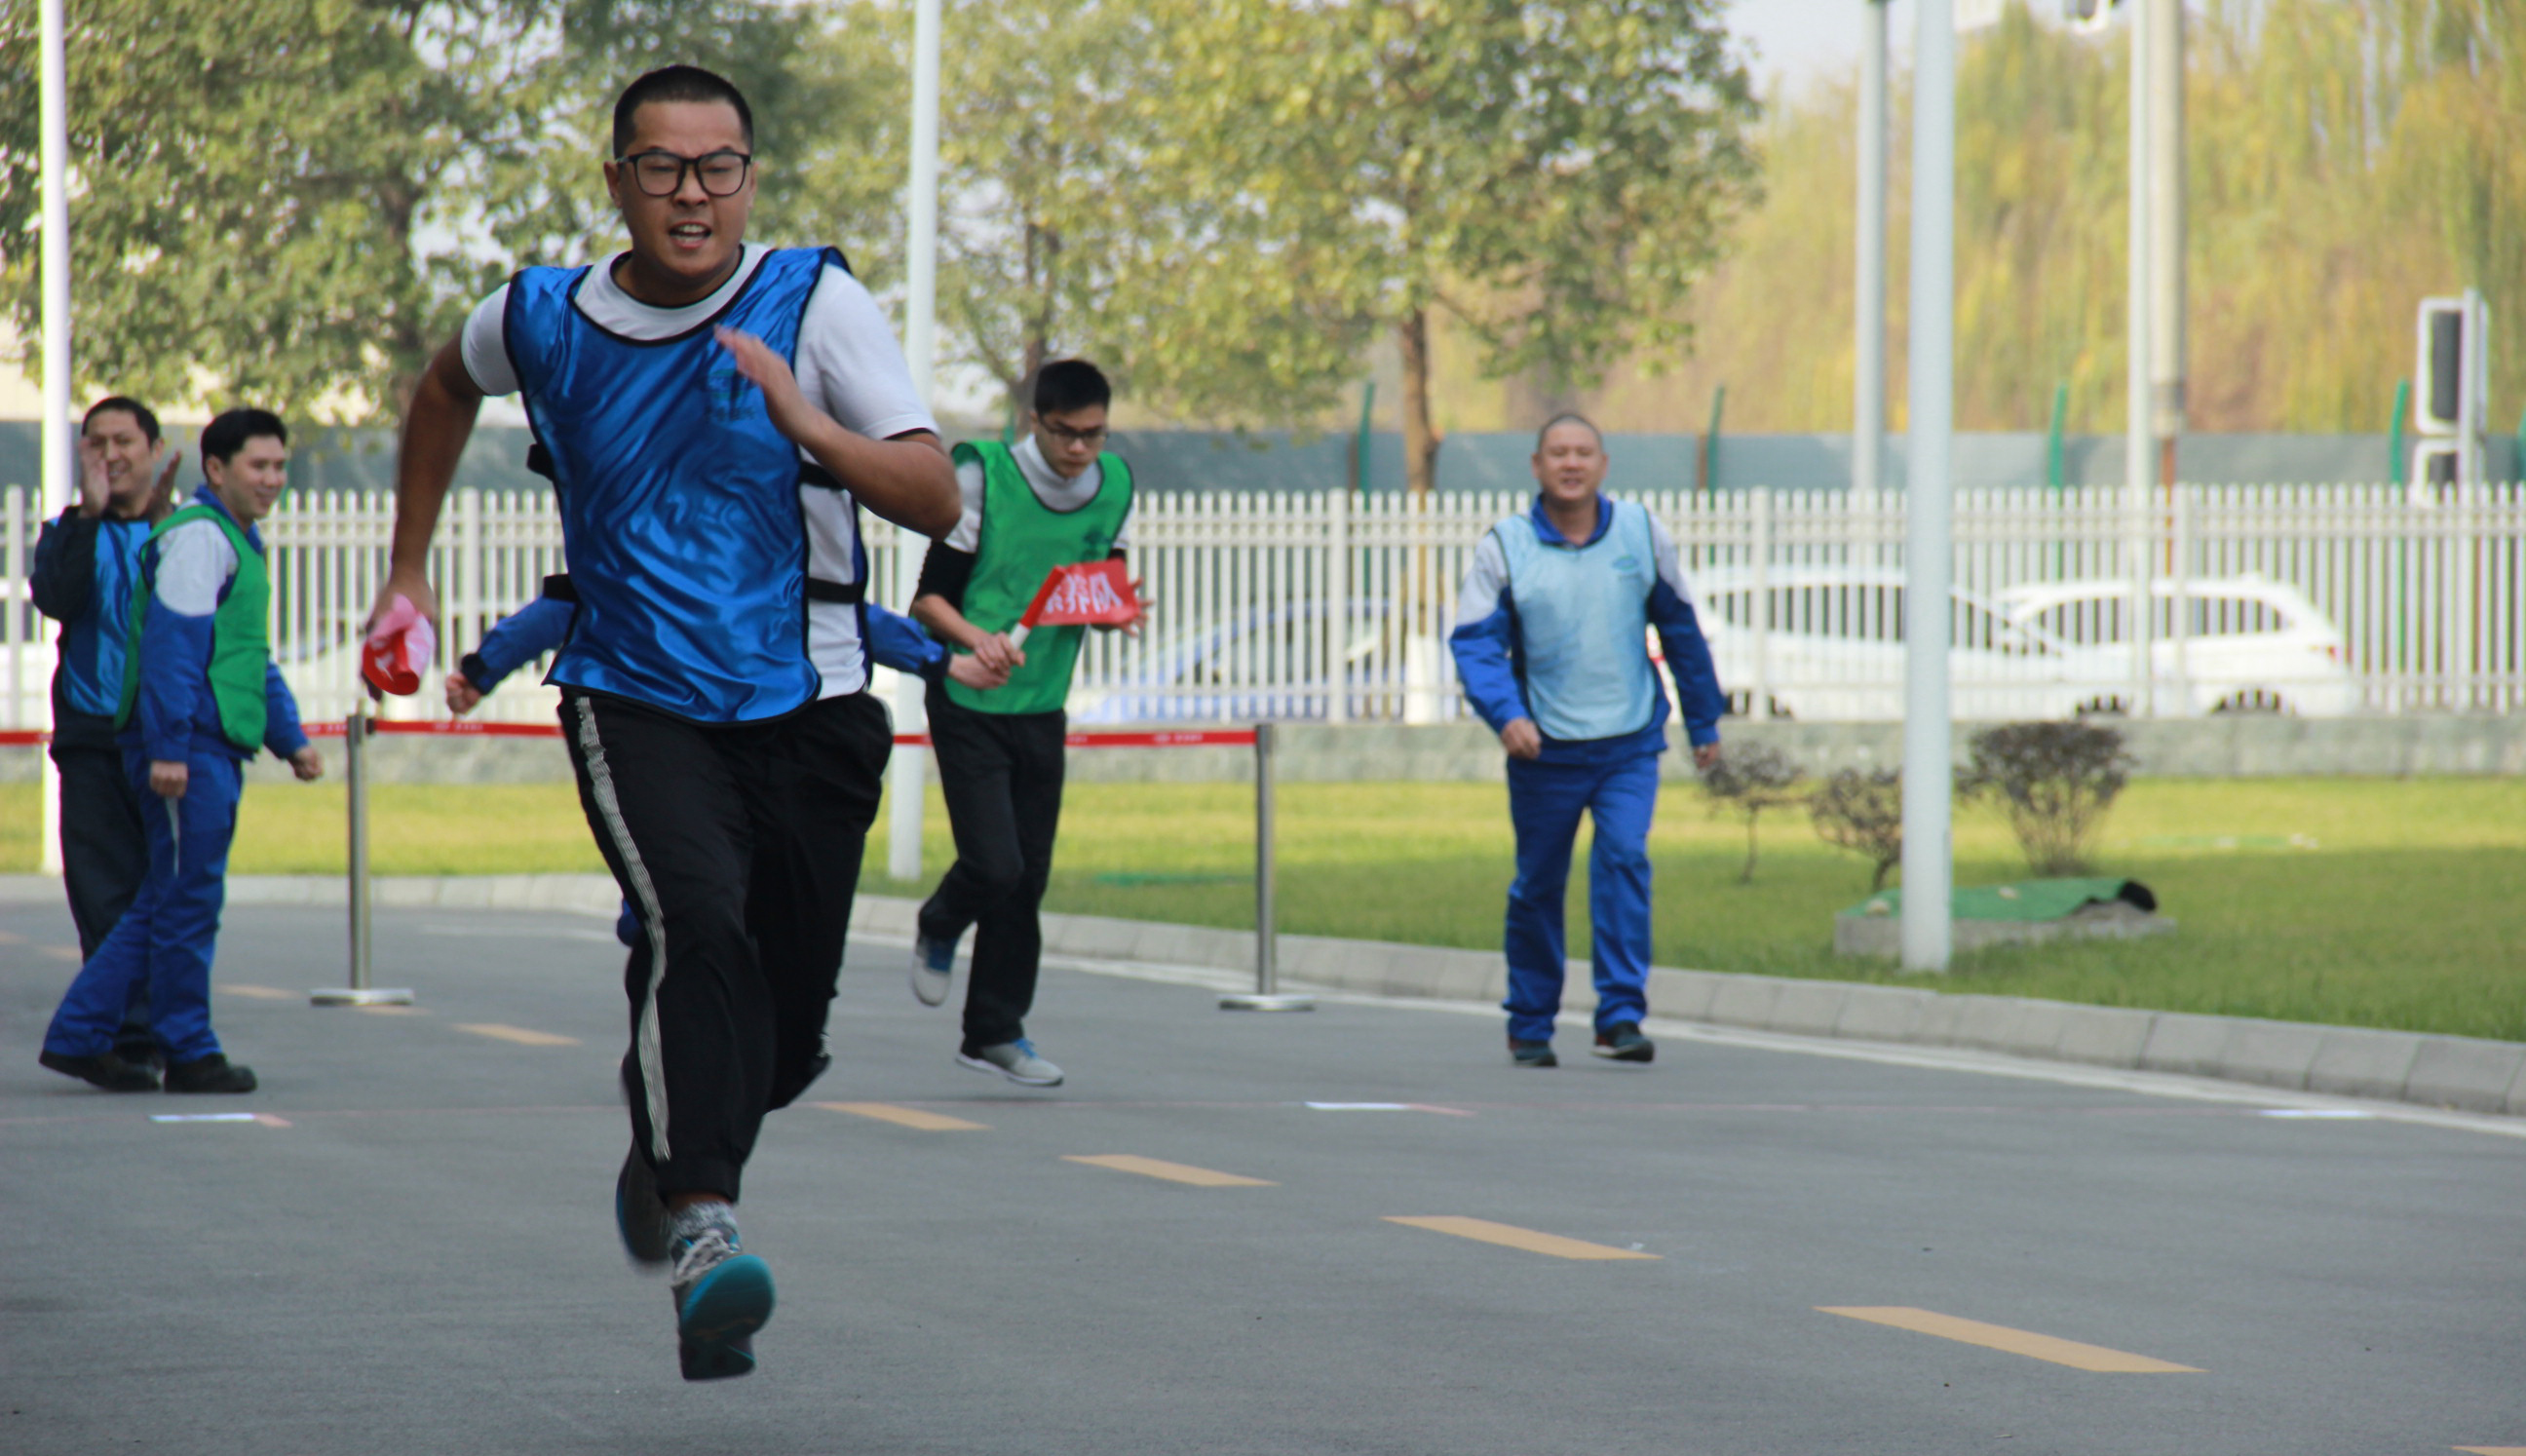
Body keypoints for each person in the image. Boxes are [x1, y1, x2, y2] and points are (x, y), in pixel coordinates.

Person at [376, 64, 961, 1382]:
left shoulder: (815, 303)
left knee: (784, 1034)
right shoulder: (541, 315)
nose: (692, 195)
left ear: (750, 176)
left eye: (719, 168)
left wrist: (810, 422)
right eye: (662, 167)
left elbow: (931, 496)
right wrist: (407, 566)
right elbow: (438, 390)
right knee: (695, 920)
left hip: (808, 707)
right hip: (636, 698)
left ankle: (664, 1157)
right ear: (617, 180)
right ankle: (704, 1230)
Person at [443, 578, 1007, 948]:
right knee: (673, 889)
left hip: (753, 737)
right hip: (656, 731)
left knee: (749, 884)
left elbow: (850, 617)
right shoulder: (631, 549)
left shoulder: (771, 558)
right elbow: (558, 608)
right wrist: (479, 671)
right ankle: (654, 941)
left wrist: (942, 662)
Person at [40, 407, 324, 1094]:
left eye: (280, 466)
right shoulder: (200, 539)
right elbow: (172, 649)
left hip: (208, 748)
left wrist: (289, 739)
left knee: (169, 900)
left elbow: (248, 658)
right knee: (182, 903)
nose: (273, 479)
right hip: (187, 750)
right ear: (216, 469)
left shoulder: (234, 539)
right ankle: (185, 1048)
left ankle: (88, 1035)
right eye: (258, 466)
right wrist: (169, 748)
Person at [1447, 414, 1725, 1069]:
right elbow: (1475, 645)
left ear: (1603, 464)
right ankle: (1531, 1021)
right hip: (1544, 750)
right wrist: (1506, 715)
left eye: (1583, 453)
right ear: (1537, 466)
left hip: (1629, 743)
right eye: (1557, 453)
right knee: (1538, 884)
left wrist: (1704, 719)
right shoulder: (1505, 547)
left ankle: (1620, 1015)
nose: (1570, 464)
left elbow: (1682, 628)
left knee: (1624, 859)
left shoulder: (1641, 532)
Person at [906, 360, 1141, 1089]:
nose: (1079, 450)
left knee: (1027, 880)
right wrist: (977, 642)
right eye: (1065, 434)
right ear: (1033, 422)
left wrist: (1119, 612)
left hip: (1042, 705)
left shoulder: (1118, 487)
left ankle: (995, 1032)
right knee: (995, 864)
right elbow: (927, 602)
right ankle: (941, 922)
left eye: (1093, 435)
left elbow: (1099, 586)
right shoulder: (984, 480)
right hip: (970, 698)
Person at [30, 397, 182, 1071]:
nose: (111, 455)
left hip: (165, 739)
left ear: (153, 448)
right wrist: (88, 516)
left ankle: (153, 1025)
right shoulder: (69, 532)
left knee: (166, 886)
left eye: (124, 440)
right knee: (104, 890)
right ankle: (121, 1031)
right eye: (96, 443)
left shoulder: (182, 532)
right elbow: (57, 598)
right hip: (92, 740)